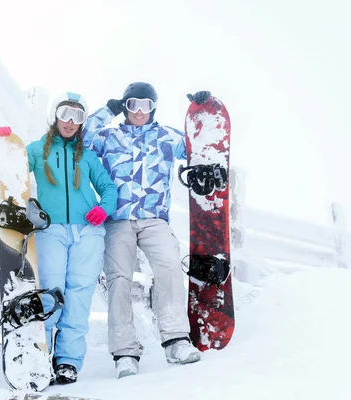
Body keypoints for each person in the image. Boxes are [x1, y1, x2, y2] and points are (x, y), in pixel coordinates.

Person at [83, 82, 212, 378]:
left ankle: (176, 339)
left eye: (145, 105)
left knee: (168, 266)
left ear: (153, 107)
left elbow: (198, 145)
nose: (138, 111)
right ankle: (125, 352)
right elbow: (82, 137)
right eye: (131, 105)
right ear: (125, 108)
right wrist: (107, 111)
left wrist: (202, 112)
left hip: (154, 219)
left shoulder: (166, 136)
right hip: (117, 219)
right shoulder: (108, 136)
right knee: (119, 279)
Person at [26, 92, 118, 384]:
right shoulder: (37, 149)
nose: (70, 121)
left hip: (87, 233)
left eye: (77, 116)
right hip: (50, 230)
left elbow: (108, 188)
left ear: (82, 123)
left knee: (78, 295)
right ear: (54, 115)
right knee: (51, 291)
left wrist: (103, 209)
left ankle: (67, 361)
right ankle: (40, 354)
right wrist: (5, 145)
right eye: (65, 113)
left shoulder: (88, 156)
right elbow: (12, 165)